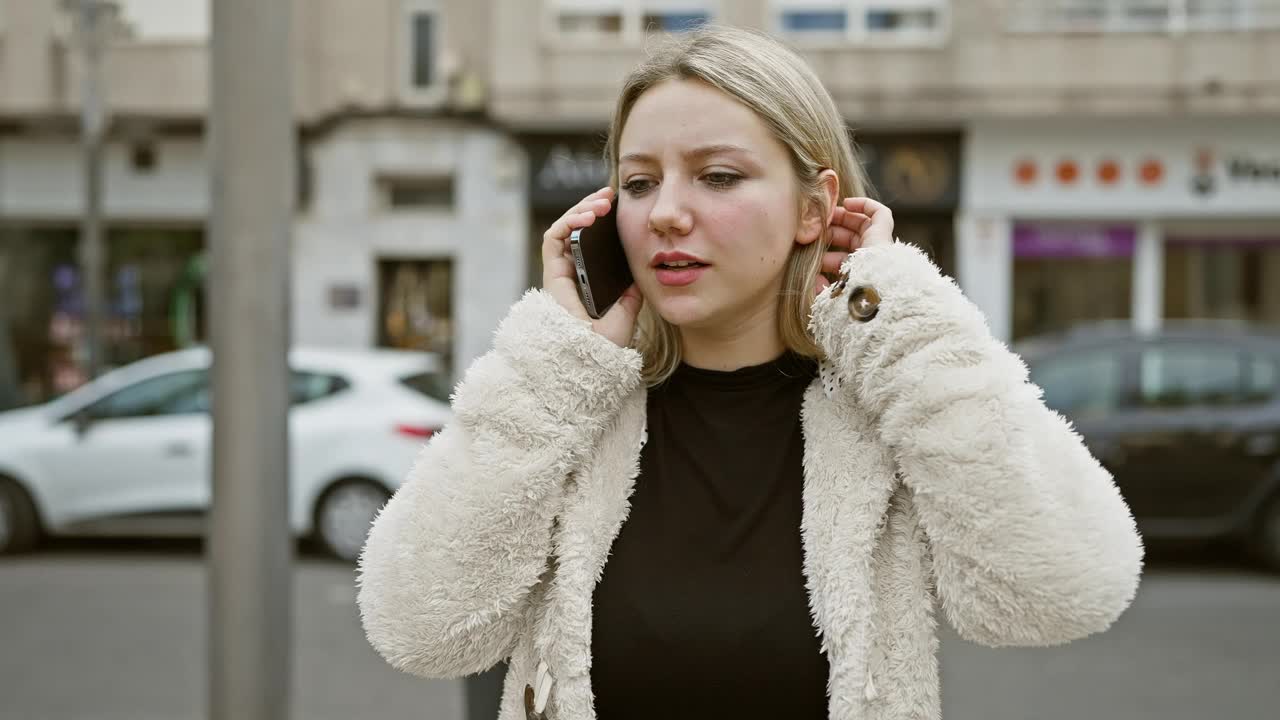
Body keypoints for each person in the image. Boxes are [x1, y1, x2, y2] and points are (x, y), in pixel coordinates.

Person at [357, 25, 1144, 720]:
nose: (666, 211)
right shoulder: (570, 411)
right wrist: (552, 366)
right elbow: (416, 628)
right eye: (638, 182)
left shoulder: (882, 416)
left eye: (719, 176)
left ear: (814, 208)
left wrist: (891, 310)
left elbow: (1064, 591)